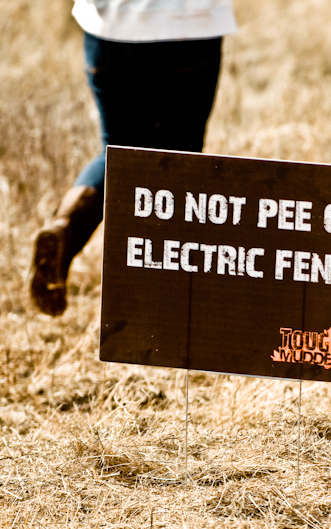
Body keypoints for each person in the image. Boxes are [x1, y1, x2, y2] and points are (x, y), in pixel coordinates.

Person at [30, 0, 236, 316]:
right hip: (188, 26)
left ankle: (65, 226)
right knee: (179, 158)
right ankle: (161, 300)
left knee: (117, 151)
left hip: (109, 27)